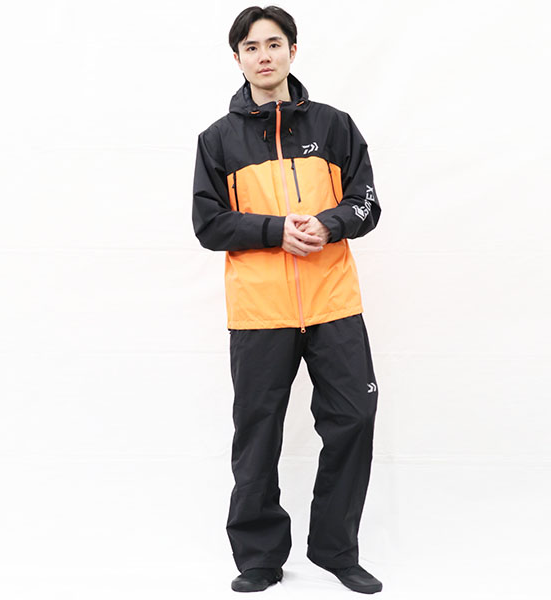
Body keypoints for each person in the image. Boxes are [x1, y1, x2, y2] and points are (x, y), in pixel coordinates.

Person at [192, 5, 382, 594]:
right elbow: (208, 224)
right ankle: (258, 556)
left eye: (274, 44)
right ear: (238, 59)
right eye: (251, 47)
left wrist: (328, 223)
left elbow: (366, 203)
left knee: (354, 418)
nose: (264, 56)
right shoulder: (217, 140)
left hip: (333, 304)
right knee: (257, 433)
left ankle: (335, 550)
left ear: (292, 51)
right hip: (260, 311)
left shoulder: (335, 125)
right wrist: (276, 231)